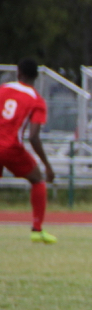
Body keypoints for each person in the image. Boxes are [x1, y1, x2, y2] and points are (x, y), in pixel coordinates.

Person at [1, 59, 56, 244]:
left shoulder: (3, 89)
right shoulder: (36, 100)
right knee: (37, 179)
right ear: (36, 77)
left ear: (18, 73)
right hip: (10, 147)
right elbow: (33, 137)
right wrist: (48, 166)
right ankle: (37, 230)